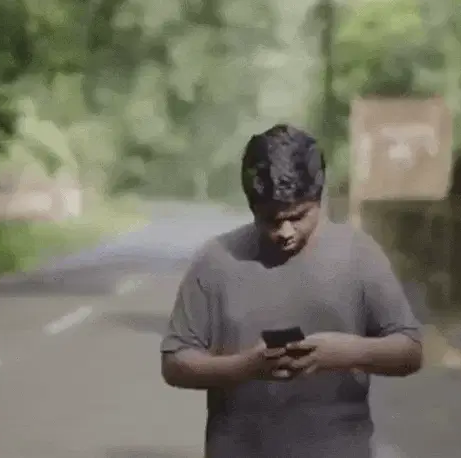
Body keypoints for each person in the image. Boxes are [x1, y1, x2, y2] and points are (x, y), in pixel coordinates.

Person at [160, 123, 422, 458]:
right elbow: (176, 361)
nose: (285, 231)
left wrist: (346, 352)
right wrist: (246, 366)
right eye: (270, 220)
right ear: (252, 207)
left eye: (298, 217)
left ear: (318, 199)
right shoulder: (216, 261)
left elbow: (409, 351)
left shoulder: (359, 255)